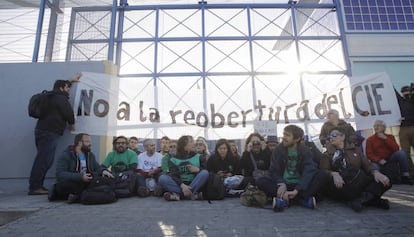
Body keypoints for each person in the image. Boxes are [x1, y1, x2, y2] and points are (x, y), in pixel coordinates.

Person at [28, 73, 81, 195]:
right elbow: (68, 113)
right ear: (62, 88)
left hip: (41, 130)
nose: (68, 90)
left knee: (41, 158)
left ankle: (36, 185)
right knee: (44, 160)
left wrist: (70, 81)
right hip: (51, 132)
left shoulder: (51, 95)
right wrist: (72, 125)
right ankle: (35, 187)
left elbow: (61, 85)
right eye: (67, 88)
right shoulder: (60, 98)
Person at [256, 125, 329, 212]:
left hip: (301, 186)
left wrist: (297, 189)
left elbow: (309, 170)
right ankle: (303, 200)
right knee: (260, 181)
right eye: (284, 134)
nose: (284, 138)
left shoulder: (305, 150)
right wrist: (281, 183)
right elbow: (274, 170)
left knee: (323, 175)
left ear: (297, 139)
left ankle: (285, 200)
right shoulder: (278, 150)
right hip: (284, 185)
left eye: (287, 135)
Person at [320, 127, 391, 212]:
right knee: (354, 175)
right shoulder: (327, 154)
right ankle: (373, 200)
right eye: (329, 136)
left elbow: (367, 165)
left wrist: (376, 173)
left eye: (334, 135)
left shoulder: (355, 150)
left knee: (385, 180)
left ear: (343, 137)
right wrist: (334, 174)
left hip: (358, 181)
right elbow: (324, 170)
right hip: (342, 183)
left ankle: (361, 200)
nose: (331, 138)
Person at [48, 133, 111, 203]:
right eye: (87, 141)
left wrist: (103, 171)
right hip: (72, 182)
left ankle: (79, 196)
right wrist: (80, 177)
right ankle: (84, 195)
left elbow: (97, 167)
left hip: (86, 182)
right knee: (66, 186)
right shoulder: (66, 155)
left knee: (107, 180)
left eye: (90, 141)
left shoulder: (90, 155)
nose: (90, 144)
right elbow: (60, 174)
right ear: (80, 143)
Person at [158, 135, 209, 201]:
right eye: (191, 141)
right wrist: (182, 185)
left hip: (194, 182)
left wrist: (198, 170)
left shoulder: (199, 157)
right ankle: (191, 195)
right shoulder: (173, 159)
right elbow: (173, 175)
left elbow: (206, 170)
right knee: (162, 178)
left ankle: (179, 195)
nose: (194, 143)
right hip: (179, 184)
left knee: (205, 173)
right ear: (184, 145)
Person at [365, 120, 414, 185]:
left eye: (378, 126)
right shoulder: (370, 139)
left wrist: (386, 139)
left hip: (390, 157)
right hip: (378, 160)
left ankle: (405, 176)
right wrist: (378, 160)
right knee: (374, 166)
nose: (376, 128)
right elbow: (369, 154)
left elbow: (396, 149)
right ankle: (379, 182)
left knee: (401, 153)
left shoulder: (390, 137)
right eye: (374, 126)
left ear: (384, 127)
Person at [395, 85, 414, 174]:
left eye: (407, 91)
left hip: (412, 127)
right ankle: (412, 173)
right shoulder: (400, 101)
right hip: (403, 129)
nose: (406, 93)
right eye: (404, 91)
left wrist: (406, 118)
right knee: (405, 153)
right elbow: (393, 92)